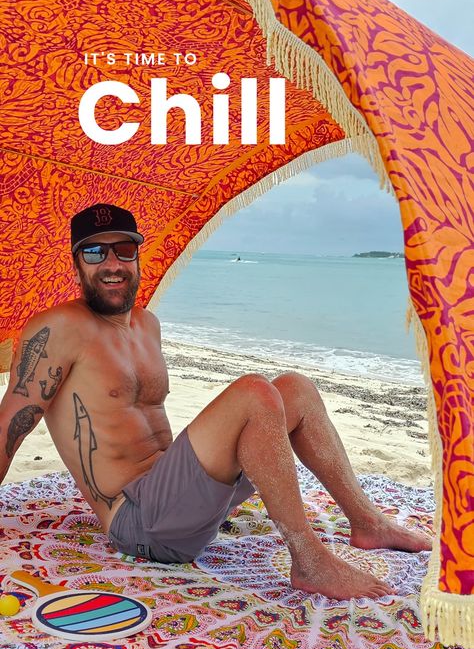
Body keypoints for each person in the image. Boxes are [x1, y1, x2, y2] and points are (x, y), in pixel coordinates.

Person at [0, 204, 431, 599]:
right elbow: (10, 425)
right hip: (141, 521)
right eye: (95, 253)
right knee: (254, 393)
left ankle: (367, 522)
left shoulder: (146, 325)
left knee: (294, 388)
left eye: (123, 251)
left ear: (136, 258)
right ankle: (309, 559)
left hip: (187, 500)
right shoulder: (56, 328)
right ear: (77, 264)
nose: (112, 264)